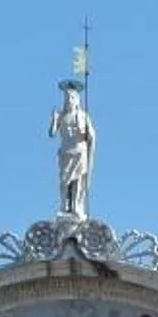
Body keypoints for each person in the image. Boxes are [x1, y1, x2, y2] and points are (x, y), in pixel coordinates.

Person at [51, 80, 95, 218]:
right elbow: (52, 133)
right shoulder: (62, 116)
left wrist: (88, 134)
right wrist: (54, 120)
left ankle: (76, 206)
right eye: (66, 98)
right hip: (66, 152)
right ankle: (64, 206)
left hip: (79, 152)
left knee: (77, 180)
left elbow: (91, 135)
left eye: (71, 98)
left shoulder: (82, 116)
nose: (69, 100)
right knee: (64, 181)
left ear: (77, 100)